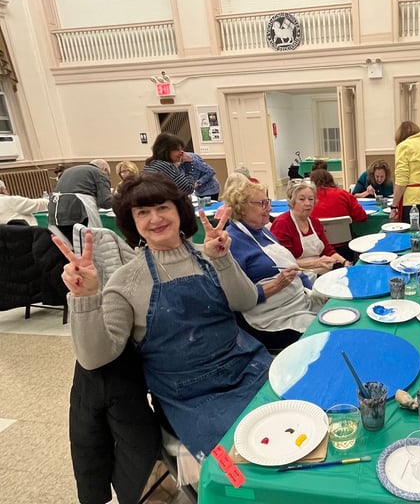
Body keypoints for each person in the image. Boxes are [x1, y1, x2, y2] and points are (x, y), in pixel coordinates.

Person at [51, 172, 272, 460]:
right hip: (191, 399)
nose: (155, 219)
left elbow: (246, 301)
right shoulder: (126, 281)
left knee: (305, 423)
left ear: (179, 211)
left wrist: (223, 259)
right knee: (239, 469)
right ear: (132, 222)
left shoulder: (208, 255)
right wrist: (86, 297)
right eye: (143, 212)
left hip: (250, 368)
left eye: (162, 207)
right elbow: (94, 358)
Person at [222, 174, 325, 352]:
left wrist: (313, 293)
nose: (269, 208)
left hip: (298, 301)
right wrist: (277, 284)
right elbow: (237, 300)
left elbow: (294, 268)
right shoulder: (231, 242)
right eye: (262, 203)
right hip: (271, 318)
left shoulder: (263, 231)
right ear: (242, 208)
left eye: (268, 202)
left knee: (336, 311)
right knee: (324, 335)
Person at [269, 179, 351, 273]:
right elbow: (283, 261)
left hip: (319, 270)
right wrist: (316, 263)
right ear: (292, 201)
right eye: (302, 199)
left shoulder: (315, 222)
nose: (308, 203)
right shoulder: (282, 224)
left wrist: (344, 262)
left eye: (311, 199)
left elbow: (328, 251)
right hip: (294, 274)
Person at [48, 159, 113, 240]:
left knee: (67, 243)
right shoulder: (99, 172)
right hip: (78, 207)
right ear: (104, 169)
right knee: (93, 240)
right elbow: (105, 202)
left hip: (55, 210)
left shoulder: (67, 171)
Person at [310, 168, 367, 261]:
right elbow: (362, 217)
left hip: (316, 249)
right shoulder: (343, 194)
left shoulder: (308, 199)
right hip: (344, 247)